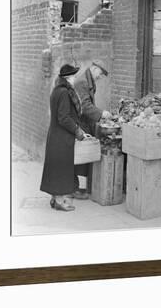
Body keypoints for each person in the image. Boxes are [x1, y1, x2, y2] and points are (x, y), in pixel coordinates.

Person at [40, 64, 91, 211]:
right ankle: (60, 201)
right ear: (68, 78)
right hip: (61, 138)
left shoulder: (58, 90)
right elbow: (64, 118)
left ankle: (55, 199)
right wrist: (78, 132)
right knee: (61, 169)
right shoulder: (64, 93)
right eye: (74, 76)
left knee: (56, 168)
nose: (75, 79)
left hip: (56, 136)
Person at [73, 60, 112, 199]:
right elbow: (84, 105)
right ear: (94, 68)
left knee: (83, 155)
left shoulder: (87, 79)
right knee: (82, 155)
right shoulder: (82, 82)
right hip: (80, 123)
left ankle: (81, 187)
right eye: (100, 74)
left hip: (84, 122)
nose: (100, 77)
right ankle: (78, 189)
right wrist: (102, 114)